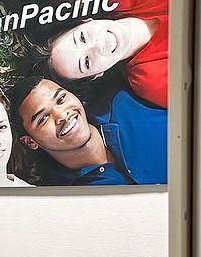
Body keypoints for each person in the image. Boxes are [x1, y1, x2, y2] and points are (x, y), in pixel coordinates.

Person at [47, 0, 169, 108]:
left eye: (82, 37)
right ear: (97, 74)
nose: (98, 46)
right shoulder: (150, 80)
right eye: (87, 62)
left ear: (85, 21)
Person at [11, 75, 166, 185]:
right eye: (43, 118)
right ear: (31, 142)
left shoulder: (126, 101)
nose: (62, 115)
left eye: (61, 99)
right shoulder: (65, 198)